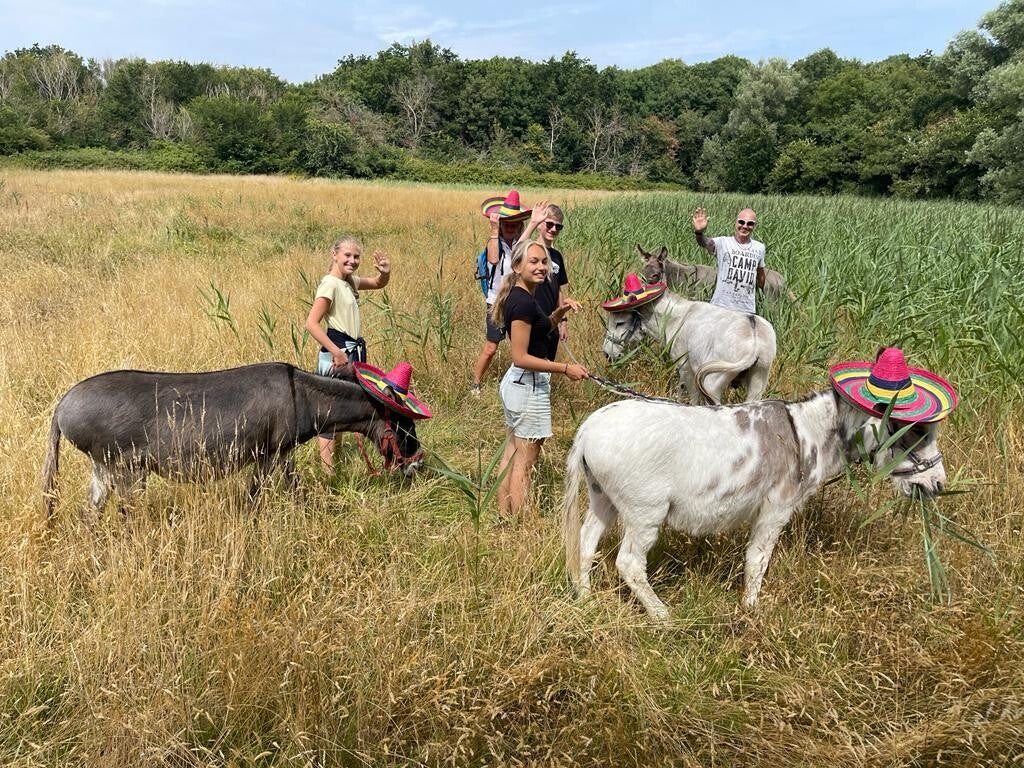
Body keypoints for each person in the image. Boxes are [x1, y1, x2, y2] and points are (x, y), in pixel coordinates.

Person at [490, 239, 588, 517]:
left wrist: (560, 312)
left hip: (519, 384)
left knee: (512, 453)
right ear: (517, 266)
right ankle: (521, 525)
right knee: (525, 462)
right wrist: (565, 368)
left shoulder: (524, 296)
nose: (541, 266)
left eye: (544, 261)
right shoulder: (522, 303)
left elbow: (542, 325)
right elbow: (520, 356)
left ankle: (505, 516)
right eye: (533, 261)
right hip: (528, 386)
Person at [305, 235, 391, 471]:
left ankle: (336, 465)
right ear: (334, 255)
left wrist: (384, 273)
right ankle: (328, 473)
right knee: (329, 415)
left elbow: (377, 283)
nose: (352, 260)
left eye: (356, 256)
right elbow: (311, 323)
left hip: (350, 354)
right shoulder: (330, 284)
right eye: (347, 255)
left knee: (342, 411)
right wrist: (336, 352)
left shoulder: (348, 282)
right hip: (337, 355)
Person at [471, 190, 535, 396]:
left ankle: (519, 384)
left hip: (516, 301)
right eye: (506, 223)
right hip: (496, 302)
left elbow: (526, 240)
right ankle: (475, 384)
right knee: (491, 348)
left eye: (515, 223)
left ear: (519, 225)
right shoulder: (494, 243)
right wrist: (493, 229)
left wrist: (535, 222)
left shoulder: (518, 245)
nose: (510, 226)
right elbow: (493, 259)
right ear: (500, 224)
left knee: (521, 347)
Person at [691, 206, 767, 315]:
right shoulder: (723, 243)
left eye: (750, 223)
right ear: (736, 223)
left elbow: (760, 276)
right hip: (721, 307)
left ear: (755, 226)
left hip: (746, 310)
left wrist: (760, 295)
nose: (745, 226)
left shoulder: (759, 248)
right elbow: (704, 242)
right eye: (741, 222)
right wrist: (699, 233)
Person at [531, 203, 574, 361]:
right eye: (549, 224)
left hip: (553, 321)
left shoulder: (557, 256)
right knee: (531, 364)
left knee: (548, 364)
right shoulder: (529, 250)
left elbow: (558, 289)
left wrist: (563, 321)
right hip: (533, 320)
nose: (553, 229)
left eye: (558, 226)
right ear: (539, 225)